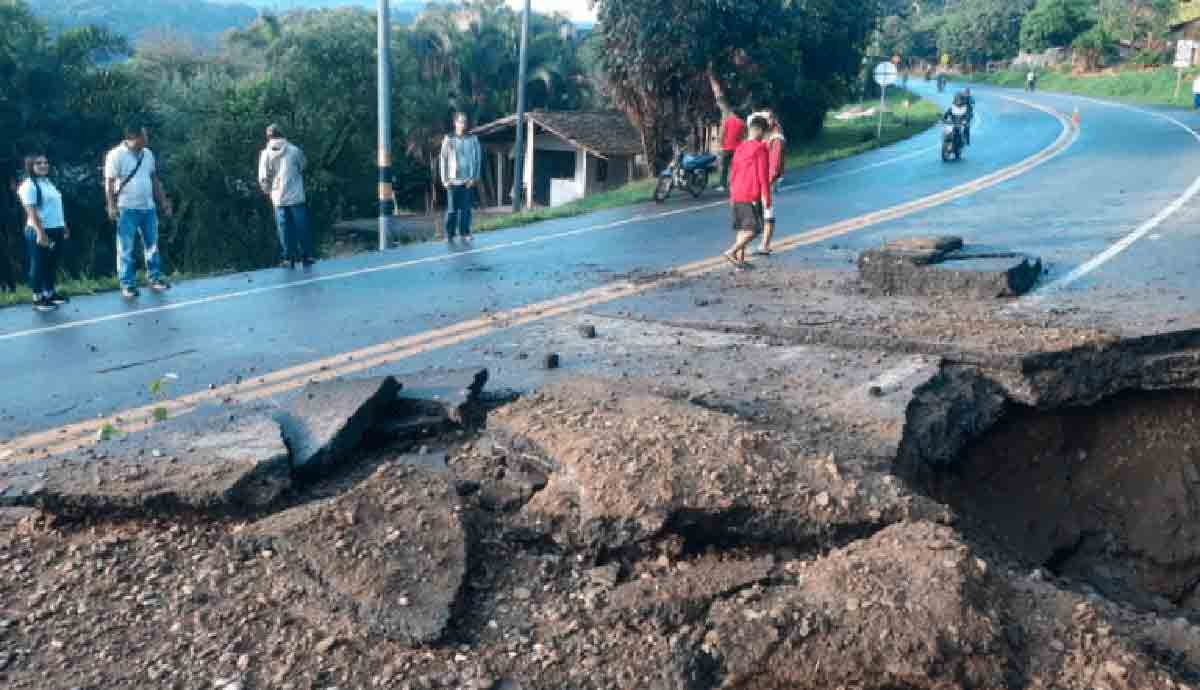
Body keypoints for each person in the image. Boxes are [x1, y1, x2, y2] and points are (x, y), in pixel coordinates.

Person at [105, 123, 172, 299]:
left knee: (152, 244)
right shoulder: (115, 155)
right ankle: (127, 284)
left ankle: (155, 278)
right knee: (126, 248)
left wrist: (163, 201)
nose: (147, 138)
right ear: (134, 137)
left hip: (148, 207)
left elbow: (154, 179)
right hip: (127, 208)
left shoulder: (148, 154)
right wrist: (111, 206)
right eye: (144, 135)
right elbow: (109, 183)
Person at [18, 154, 68, 312]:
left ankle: (50, 294)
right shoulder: (29, 185)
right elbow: (31, 211)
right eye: (38, 163)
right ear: (30, 166)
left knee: (51, 263)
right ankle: (38, 298)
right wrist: (40, 233)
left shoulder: (47, 182)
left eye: (45, 162)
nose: (43, 165)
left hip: (56, 228)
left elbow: (55, 207)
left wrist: (64, 225)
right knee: (38, 264)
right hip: (39, 230)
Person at [258, 124, 313, 267]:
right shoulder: (294, 150)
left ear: (268, 137)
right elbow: (303, 166)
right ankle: (306, 256)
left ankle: (288, 258)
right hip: (295, 195)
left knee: (284, 229)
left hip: (278, 197)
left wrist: (267, 191)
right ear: (282, 134)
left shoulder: (265, 154)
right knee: (301, 226)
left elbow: (263, 177)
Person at [723, 115, 771, 270]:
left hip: (737, 192)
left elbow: (733, 173)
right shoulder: (760, 148)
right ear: (760, 131)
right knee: (755, 229)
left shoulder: (739, 147)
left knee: (742, 228)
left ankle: (740, 264)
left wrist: (731, 194)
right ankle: (732, 252)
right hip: (750, 194)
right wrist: (766, 198)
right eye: (764, 133)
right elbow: (763, 175)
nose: (764, 136)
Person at [438, 112, 481, 242]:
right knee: (452, 210)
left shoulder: (473, 139)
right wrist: (445, 180)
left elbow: (478, 159)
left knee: (466, 210)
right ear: (455, 123)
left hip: (467, 180)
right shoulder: (448, 138)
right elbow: (443, 160)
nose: (463, 124)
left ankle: (465, 232)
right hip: (452, 181)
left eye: (464, 122)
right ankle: (449, 234)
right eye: (460, 121)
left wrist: (474, 178)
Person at [753, 109, 786, 256]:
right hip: (761, 178)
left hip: (768, 180)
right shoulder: (770, 134)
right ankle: (762, 241)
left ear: (772, 119)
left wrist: (766, 183)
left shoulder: (776, 138)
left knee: (767, 210)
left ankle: (764, 245)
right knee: (759, 209)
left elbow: (775, 165)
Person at [716, 110, 746, 192]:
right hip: (737, 148)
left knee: (724, 167)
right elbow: (743, 136)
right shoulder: (742, 123)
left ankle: (723, 185)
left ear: (733, 113)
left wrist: (720, 144)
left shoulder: (727, 121)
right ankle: (735, 184)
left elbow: (722, 133)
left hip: (727, 148)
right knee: (736, 167)